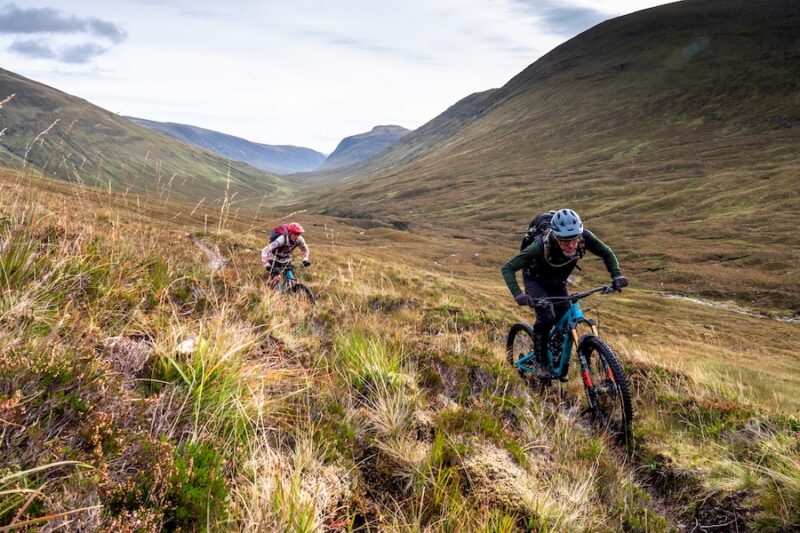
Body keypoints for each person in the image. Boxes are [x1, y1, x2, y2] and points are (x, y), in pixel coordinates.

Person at [501, 208, 628, 379]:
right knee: (546, 317)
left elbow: (607, 252)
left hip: (558, 282)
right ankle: (541, 362)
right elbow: (508, 268)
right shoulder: (539, 246)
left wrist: (616, 275)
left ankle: (558, 360)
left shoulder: (585, 237)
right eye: (564, 241)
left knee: (566, 319)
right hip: (535, 280)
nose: (571, 245)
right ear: (555, 236)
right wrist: (518, 294)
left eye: (574, 240)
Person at [262, 222, 311, 289]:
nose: (297, 236)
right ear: (290, 233)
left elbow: (305, 249)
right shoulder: (282, 239)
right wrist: (266, 264)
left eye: (298, 234)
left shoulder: (300, 240)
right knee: (277, 278)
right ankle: (268, 291)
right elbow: (265, 250)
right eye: (295, 234)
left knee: (292, 280)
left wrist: (305, 259)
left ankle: (288, 292)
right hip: (274, 260)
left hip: (286, 261)